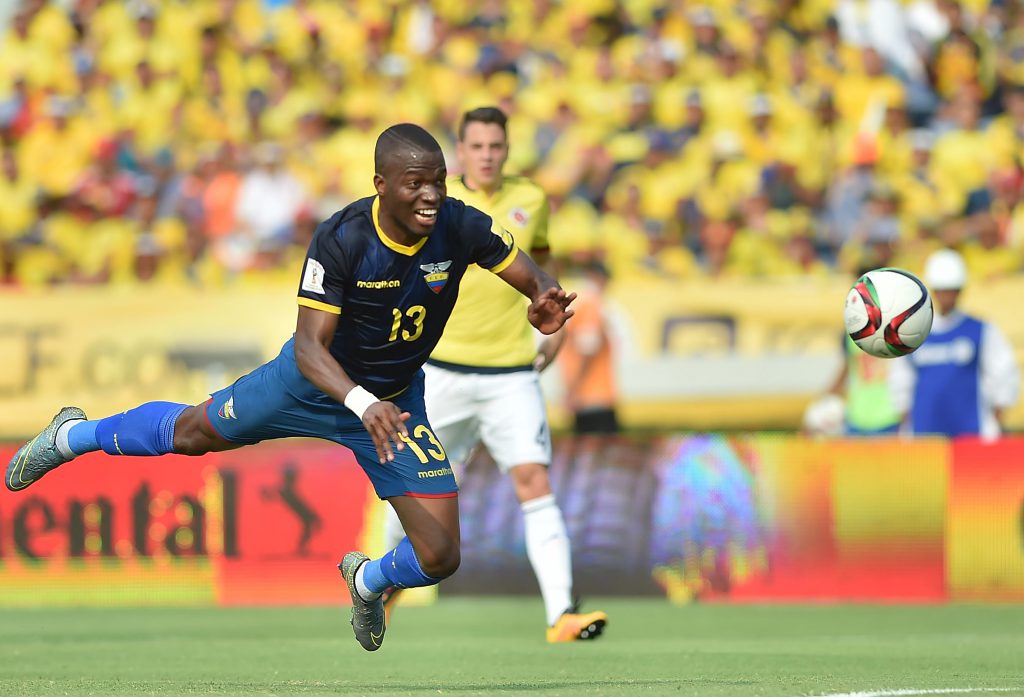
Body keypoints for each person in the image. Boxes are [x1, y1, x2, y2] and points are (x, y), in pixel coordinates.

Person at [4, 123, 577, 653]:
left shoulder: (462, 224)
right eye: (415, 184)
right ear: (381, 185)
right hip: (313, 385)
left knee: (441, 555)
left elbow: (531, 275)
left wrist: (544, 297)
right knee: (192, 432)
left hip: (394, 404)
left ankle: (367, 580)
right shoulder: (342, 238)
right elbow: (309, 348)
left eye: (438, 181)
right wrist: (361, 402)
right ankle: (74, 436)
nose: (430, 195)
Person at [381, 107, 608, 643]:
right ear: (460, 151)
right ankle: (382, 586)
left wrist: (554, 328)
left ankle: (561, 614)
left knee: (534, 482)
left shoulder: (531, 200)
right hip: (439, 372)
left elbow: (544, 271)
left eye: (495, 146)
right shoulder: (431, 200)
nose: (486, 155)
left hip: (511, 373)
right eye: (477, 146)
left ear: (507, 150)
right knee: (412, 490)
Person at [888, 248, 1019, 439]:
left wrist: (994, 418)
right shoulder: (913, 332)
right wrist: (904, 416)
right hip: (924, 435)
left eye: (951, 290)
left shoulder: (980, 329)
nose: (946, 296)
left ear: (960, 290)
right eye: (941, 290)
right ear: (932, 290)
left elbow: (1003, 373)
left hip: (971, 434)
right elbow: (901, 378)